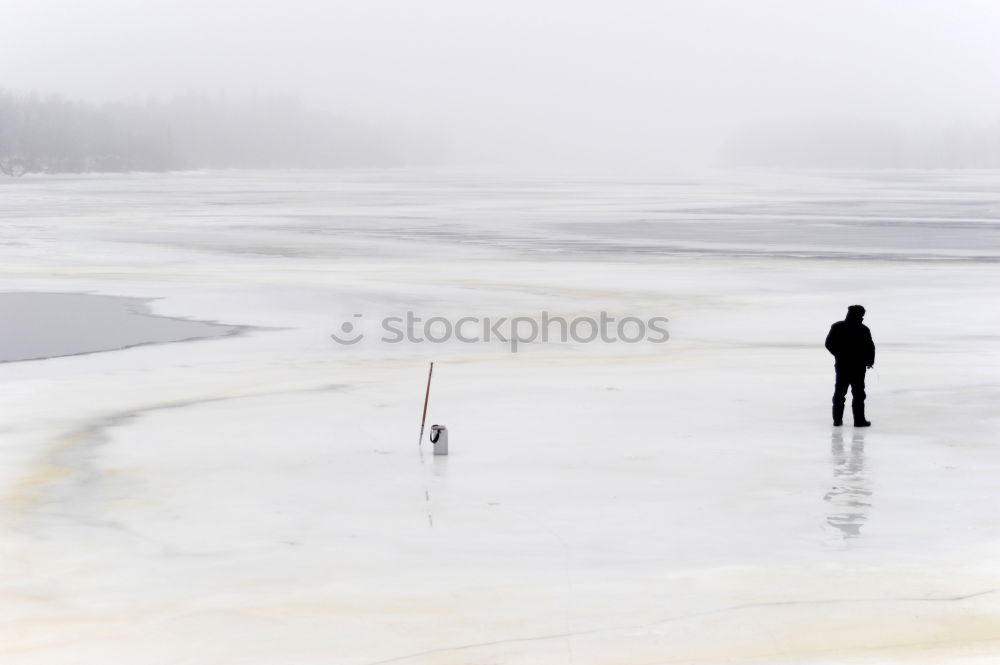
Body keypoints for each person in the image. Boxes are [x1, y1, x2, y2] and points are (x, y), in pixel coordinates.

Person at [825, 305, 875, 427]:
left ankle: (837, 420)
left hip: (843, 366)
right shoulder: (863, 329)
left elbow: (829, 344)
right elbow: (870, 348)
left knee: (840, 394)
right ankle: (858, 421)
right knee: (857, 394)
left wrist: (838, 355)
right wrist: (869, 361)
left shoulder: (838, 326)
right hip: (857, 367)